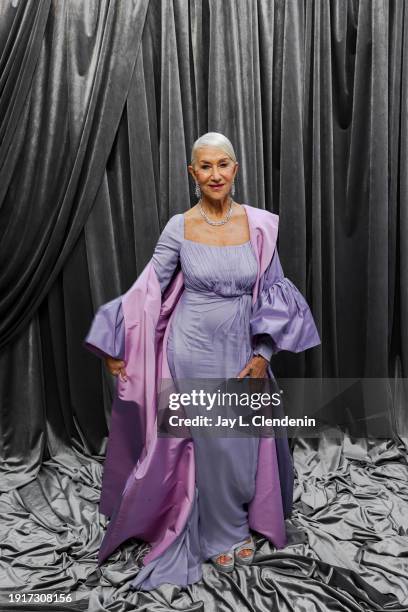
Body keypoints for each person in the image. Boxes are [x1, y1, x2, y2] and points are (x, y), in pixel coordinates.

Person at [84, 132, 321, 590]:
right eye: (205, 166)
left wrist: (262, 353)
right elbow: (147, 288)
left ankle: (236, 517)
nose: (215, 174)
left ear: (235, 169)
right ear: (191, 174)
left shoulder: (259, 225)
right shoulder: (179, 226)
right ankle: (219, 533)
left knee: (239, 442)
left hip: (241, 346)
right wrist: (115, 340)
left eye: (223, 164)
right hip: (189, 346)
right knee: (209, 442)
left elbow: (275, 292)